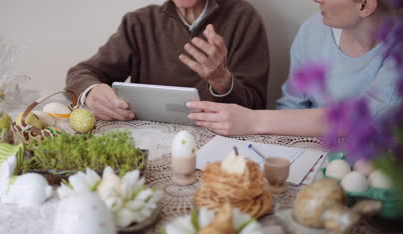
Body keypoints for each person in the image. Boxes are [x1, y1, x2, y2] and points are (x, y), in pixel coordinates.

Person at [187, 0, 402, 137]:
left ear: (365, 5)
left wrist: (252, 120)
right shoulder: (314, 28)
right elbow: (291, 106)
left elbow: (366, 115)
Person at [65, 0, 269, 121]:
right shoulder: (139, 22)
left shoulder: (243, 17)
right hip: (148, 141)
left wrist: (223, 81)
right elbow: (80, 73)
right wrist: (91, 92)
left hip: (220, 143)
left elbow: (256, 108)